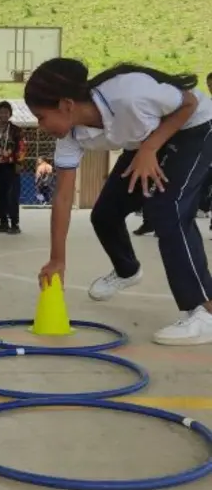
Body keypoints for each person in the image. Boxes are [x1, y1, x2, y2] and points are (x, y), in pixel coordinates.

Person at [25, 58, 212, 346]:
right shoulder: (71, 136)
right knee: (104, 214)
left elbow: (187, 102)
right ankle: (127, 270)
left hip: (194, 128)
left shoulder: (128, 93)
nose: (40, 126)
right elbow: (62, 198)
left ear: (66, 105)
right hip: (144, 142)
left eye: (41, 116)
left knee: (168, 209)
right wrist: (57, 259)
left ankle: (204, 311)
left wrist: (150, 148)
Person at [0, 101, 26, 234]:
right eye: (0, 112)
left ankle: (14, 224)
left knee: (12, 195)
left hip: (12, 166)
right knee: (0, 195)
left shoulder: (16, 130)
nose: (3, 114)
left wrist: (19, 163)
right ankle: (3, 223)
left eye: (6, 112)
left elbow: (22, 147)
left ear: (10, 114)